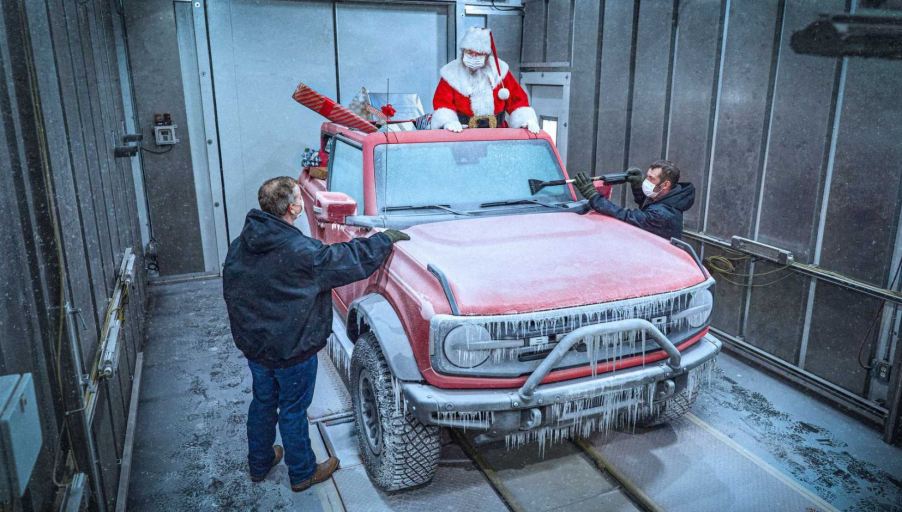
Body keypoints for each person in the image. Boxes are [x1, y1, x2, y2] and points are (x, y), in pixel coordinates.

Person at [222, 176, 409, 491]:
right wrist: (383, 240)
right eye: (298, 196)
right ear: (294, 207)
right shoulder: (298, 250)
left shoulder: (241, 244)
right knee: (293, 410)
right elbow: (345, 261)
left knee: (264, 401)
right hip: (291, 349)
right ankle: (303, 472)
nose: (301, 201)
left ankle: (260, 462)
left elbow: (234, 292)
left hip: (256, 346)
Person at [431, 27, 539, 132]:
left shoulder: (500, 72)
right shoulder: (451, 73)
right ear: (463, 51)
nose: (473, 57)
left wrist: (526, 120)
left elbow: (518, 100)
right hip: (462, 135)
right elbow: (442, 103)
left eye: (479, 54)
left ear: (487, 56)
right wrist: (448, 121)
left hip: (498, 134)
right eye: (469, 52)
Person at [573, 160, 695, 240]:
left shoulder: (662, 215)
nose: (646, 181)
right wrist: (637, 186)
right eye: (647, 176)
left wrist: (593, 195)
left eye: (651, 178)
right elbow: (648, 205)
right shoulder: (671, 197)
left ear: (665, 184)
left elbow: (625, 216)